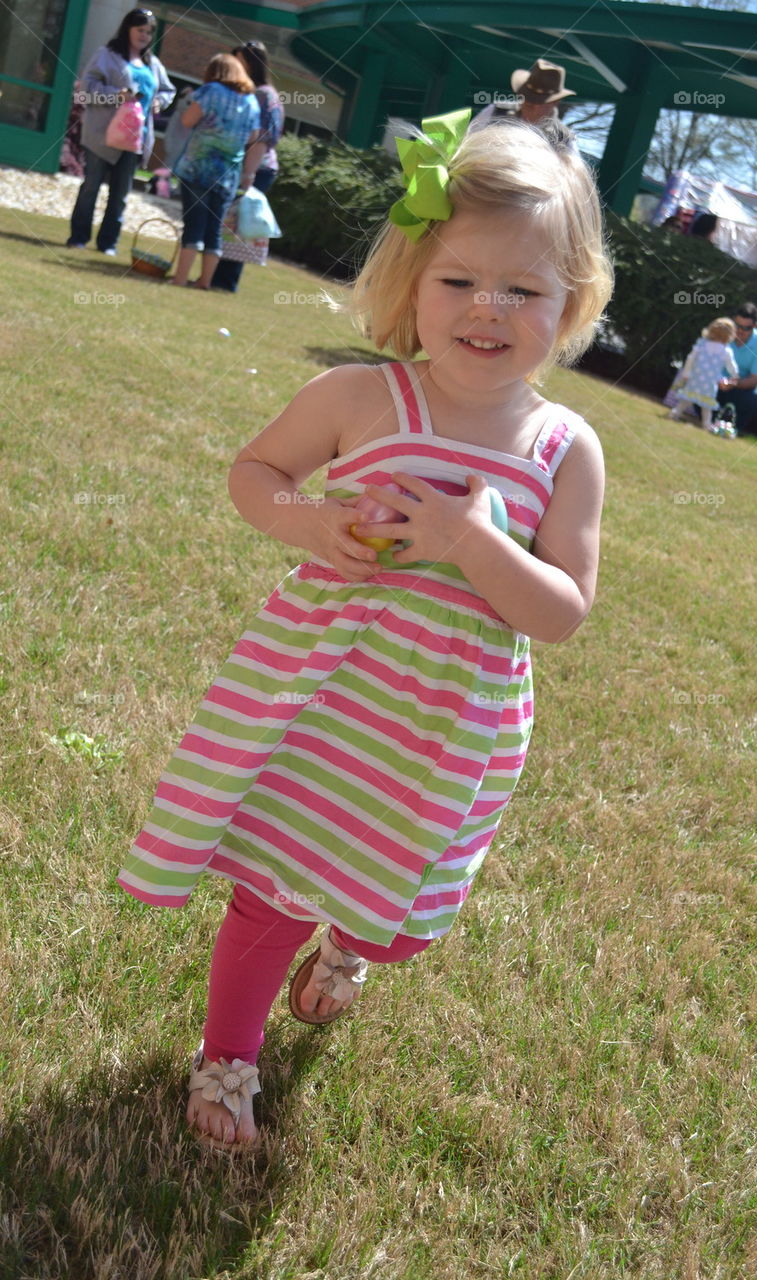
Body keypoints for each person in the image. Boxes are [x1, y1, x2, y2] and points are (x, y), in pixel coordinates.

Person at [118, 109, 612, 1148]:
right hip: (323, 700)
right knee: (270, 894)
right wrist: (306, 521)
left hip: (442, 729)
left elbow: (562, 608)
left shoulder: (565, 448)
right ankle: (228, 1057)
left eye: (522, 290)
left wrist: (472, 543)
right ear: (410, 282)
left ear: (571, 302)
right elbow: (256, 473)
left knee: (394, 922)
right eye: (458, 279)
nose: (486, 308)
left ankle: (352, 946)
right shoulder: (358, 395)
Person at [67, 7, 174, 254]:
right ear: (127, 29)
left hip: (134, 140)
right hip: (102, 136)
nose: (144, 36)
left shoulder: (153, 63)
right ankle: (78, 237)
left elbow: (167, 91)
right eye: (140, 30)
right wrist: (116, 95)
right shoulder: (106, 55)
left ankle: (108, 244)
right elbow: (85, 90)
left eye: (149, 32)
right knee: (91, 188)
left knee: (120, 196)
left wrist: (159, 102)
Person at [170, 54, 261, 289]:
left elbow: (188, 120)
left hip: (198, 168)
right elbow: (253, 137)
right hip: (228, 174)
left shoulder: (211, 90)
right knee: (214, 229)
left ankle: (180, 279)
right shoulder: (251, 102)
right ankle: (204, 281)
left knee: (194, 224)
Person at [210, 41, 284, 293]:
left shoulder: (262, 95)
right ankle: (217, 278)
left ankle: (224, 282)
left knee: (237, 226)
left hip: (255, 169)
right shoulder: (255, 92)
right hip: (248, 168)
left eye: (239, 60)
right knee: (231, 224)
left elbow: (262, 139)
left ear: (252, 63)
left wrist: (248, 174)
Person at [669, 317, 738, 431]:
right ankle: (706, 424)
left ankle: (675, 413)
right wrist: (735, 376)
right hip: (710, 383)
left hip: (695, 379)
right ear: (729, 335)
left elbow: (690, 358)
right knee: (706, 406)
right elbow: (732, 366)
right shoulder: (726, 351)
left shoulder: (701, 344)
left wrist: (686, 373)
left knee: (686, 400)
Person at [470, 59, 575, 130]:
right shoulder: (495, 111)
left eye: (538, 100)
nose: (529, 102)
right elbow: (466, 143)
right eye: (527, 95)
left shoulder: (563, 138)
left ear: (555, 102)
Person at [717, 302, 757, 431]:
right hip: (716, 382)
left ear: (755, 326)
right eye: (737, 326)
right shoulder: (722, 334)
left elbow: (756, 379)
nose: (740, 331)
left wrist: (734, 384)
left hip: (743, 388)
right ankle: (709, 419)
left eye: (746, 328)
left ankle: (734, 428)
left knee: (755, 401)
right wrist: (717, 380)